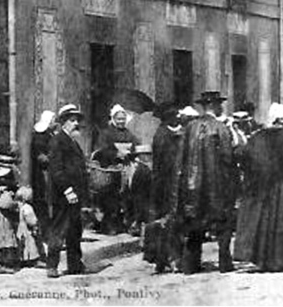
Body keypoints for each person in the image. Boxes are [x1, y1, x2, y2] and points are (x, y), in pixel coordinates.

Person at [233, 103, 283, 272]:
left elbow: (246, 159)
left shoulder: (257, 137)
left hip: (264, 185)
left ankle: (263, 258)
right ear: (282, 118)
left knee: (266, 221)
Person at [180, 91, 238, 274]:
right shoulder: (221, 127)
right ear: (214, 105)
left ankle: (190, 265)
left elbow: (182, 156)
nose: (221, 107)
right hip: (217, 184)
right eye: (219, 104)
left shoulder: (189, 127)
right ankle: (224, 262)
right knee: (223, 223)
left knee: (194, 225)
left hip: (193, 185)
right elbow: (228, 156)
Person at [46, 104, 88, 278]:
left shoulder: (73, 142)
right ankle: (52, 266)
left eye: (77, 120)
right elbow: (56, 170)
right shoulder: (57, 141)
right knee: (59, 229)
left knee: (75, 230)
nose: (76, 123)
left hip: (75, 194)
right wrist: (68, 190)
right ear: (63, 122)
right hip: (63, 195)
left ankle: (75, 264)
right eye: (72, 120)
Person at [146, 103, 187, 274]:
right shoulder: (163, 135)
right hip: (167, 186)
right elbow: (165, 165)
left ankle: (163, 260)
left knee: (169, 223)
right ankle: (171, 259)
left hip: (169, 185)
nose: (177, 117)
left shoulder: (167, 133)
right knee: (169, 223)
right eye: (174, 115)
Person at [92, 104, 141, 235]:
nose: (121, 121)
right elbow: (101, 150)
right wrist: (115, 154)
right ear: (113, 118)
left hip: (125, 167)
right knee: (110, 199)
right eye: (118, 119)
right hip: (110, 168)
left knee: (126, 196)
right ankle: (108, 225)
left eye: (123, 119)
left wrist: (134, 152)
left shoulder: (128, 133)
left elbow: (136, 144)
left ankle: (123, 223)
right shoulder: (106, 133)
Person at [30, 110, 56, 246]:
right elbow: (42, 158)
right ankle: (46, 235)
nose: (55, 123)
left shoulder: (50, 134)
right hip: (42, 176)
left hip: (48, 174)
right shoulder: (40, 137)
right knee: (43, 206)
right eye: (53, 121)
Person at [15, 186, 41, 267]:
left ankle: (22, 259)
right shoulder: (27, 207)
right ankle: (33, 260)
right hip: (27, 230)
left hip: (20, 229)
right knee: (31, 244)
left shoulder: (19, 207)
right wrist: (35, 225)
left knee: (22, 245)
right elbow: (31, 220)